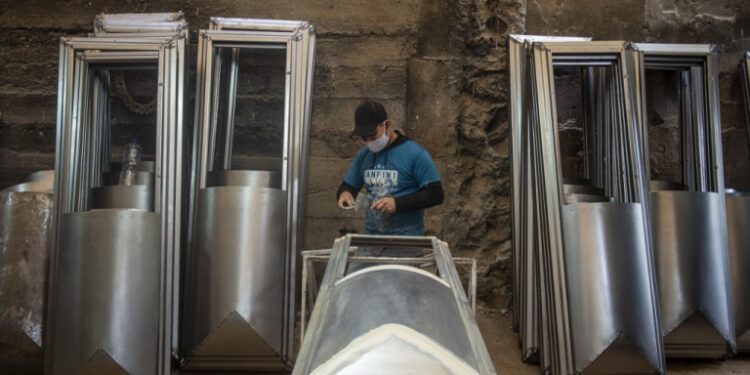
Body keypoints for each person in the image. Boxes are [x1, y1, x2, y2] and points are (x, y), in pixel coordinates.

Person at [336, 100, 444, 236]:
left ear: (386, 124)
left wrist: (397, 204)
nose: (369, 141)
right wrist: (345, 194)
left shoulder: (415, 154)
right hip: (371, 240)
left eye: (373, 135)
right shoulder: (364, 156)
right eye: (364, 138)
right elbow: (347, 187)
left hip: (405, 242)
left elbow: (436, 194)